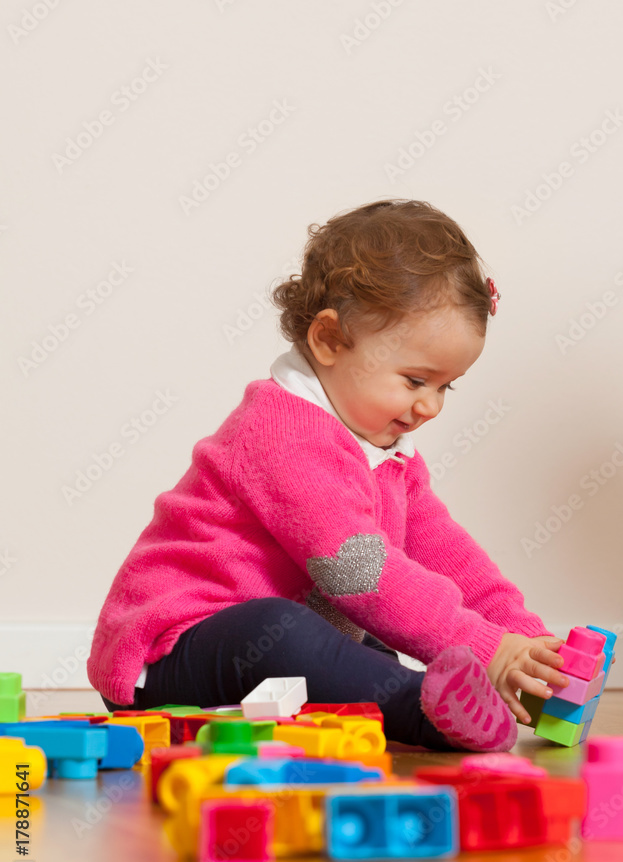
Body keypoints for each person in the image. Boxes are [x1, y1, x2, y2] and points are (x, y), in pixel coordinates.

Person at [87, 198, 569, 752]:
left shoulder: (387, 452)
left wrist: (526, 643)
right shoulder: (283, 433)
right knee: (283, 631)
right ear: (330, 341)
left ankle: (429, 707)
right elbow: (360, 575)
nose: (431, 406)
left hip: (277, 661)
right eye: (415, 380)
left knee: (362, 648)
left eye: (446, 387)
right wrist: (489, 650)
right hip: (177, 654)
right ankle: (421, 713)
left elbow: (445, 551)